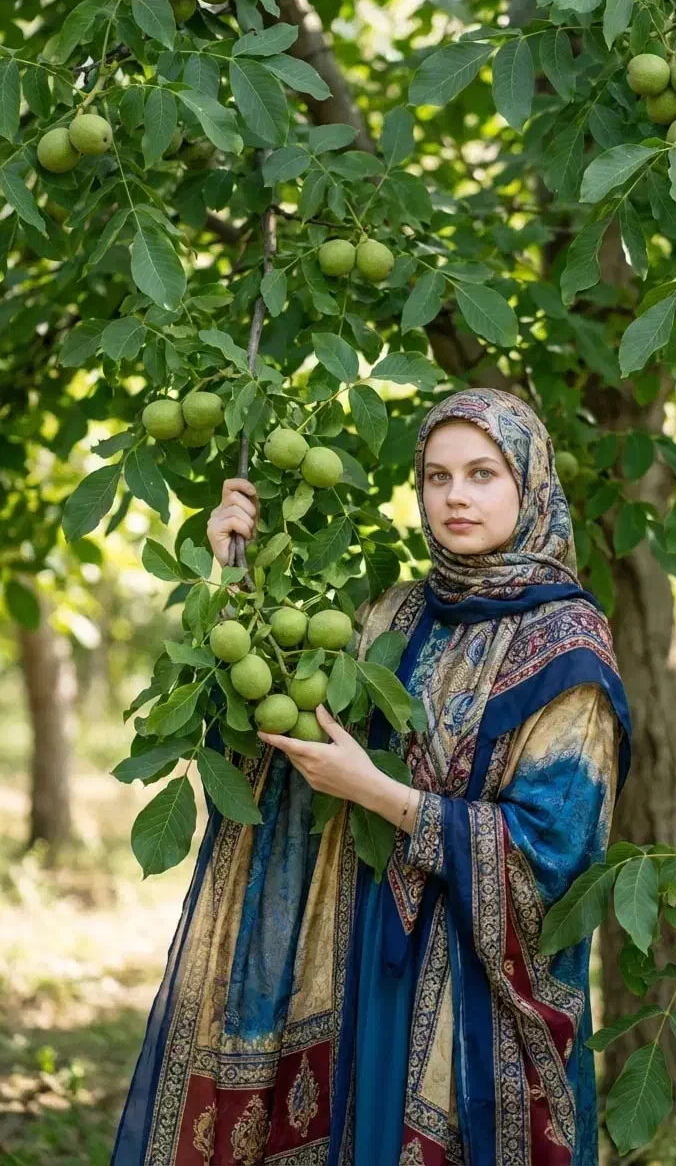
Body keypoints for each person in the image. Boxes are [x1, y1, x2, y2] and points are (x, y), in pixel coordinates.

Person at [111, 387, 631, 1166]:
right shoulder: (392, 617)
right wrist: (230, 577)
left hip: (475, 997)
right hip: (357, 956)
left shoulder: (569, 650)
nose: (456, 496)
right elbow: (278, 722)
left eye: (484, 474)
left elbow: (553, 860)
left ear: (530, 484)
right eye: (437, 476)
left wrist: (378, 794)